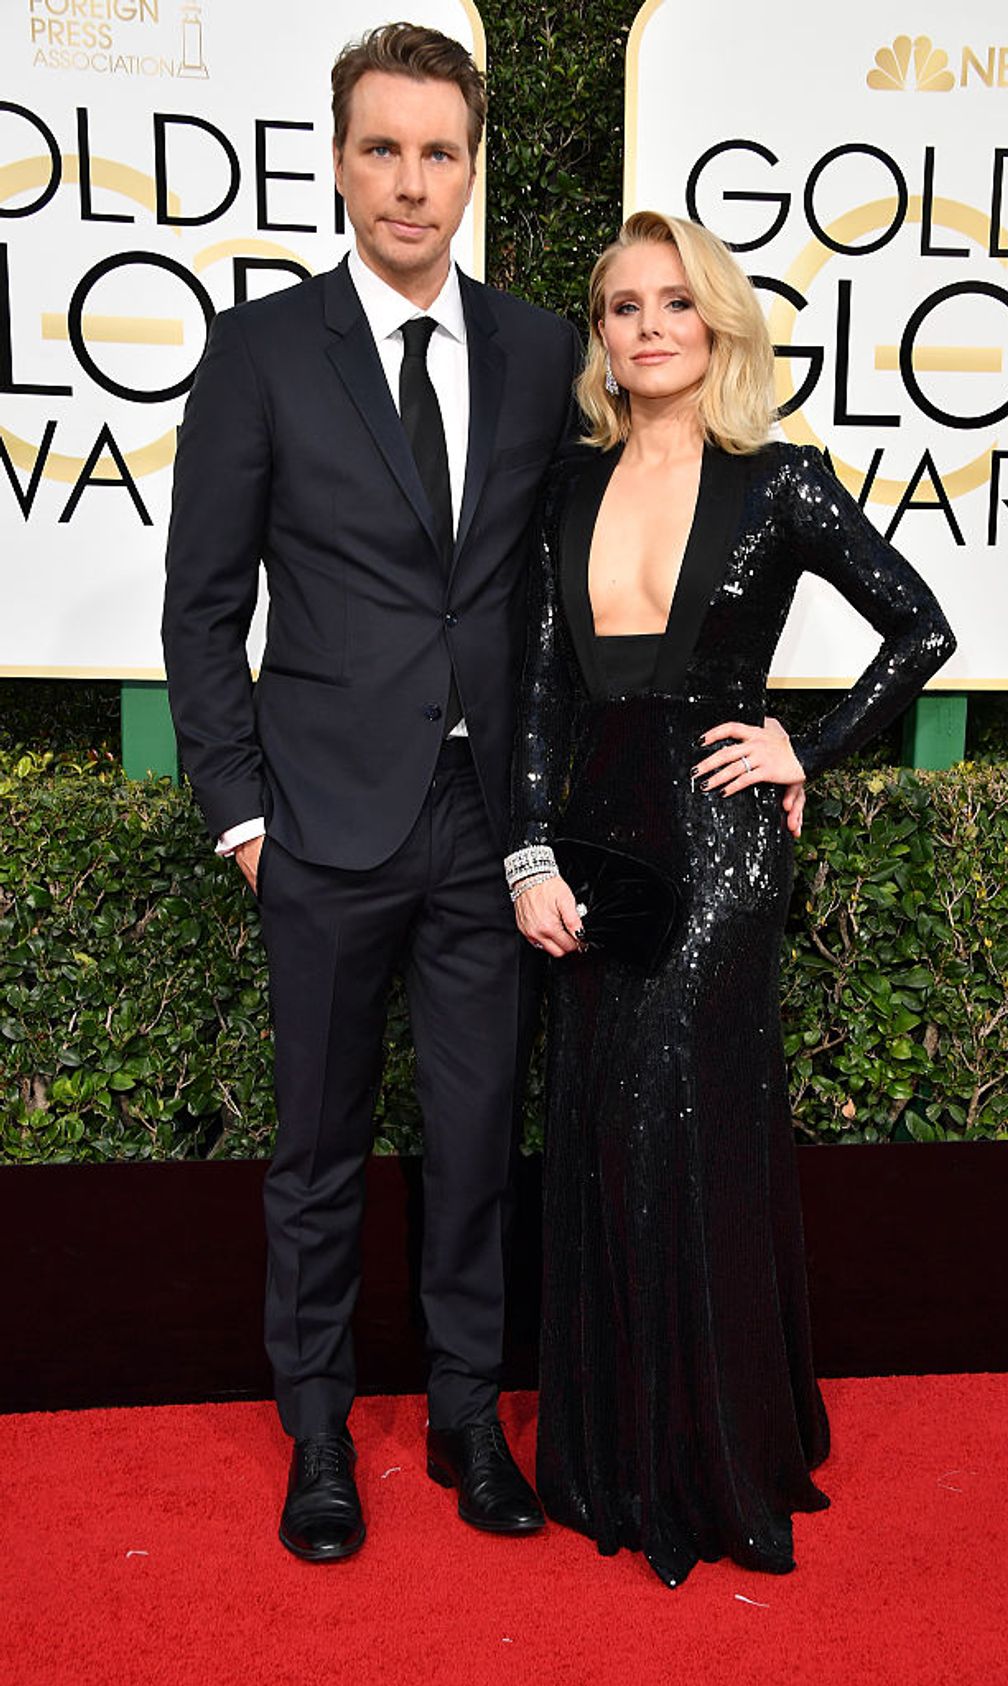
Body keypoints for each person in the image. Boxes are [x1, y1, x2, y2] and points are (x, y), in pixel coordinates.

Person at [162, 23, 579, 1562]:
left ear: (475, 167)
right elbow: (201, 606)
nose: (412, 183)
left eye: (441, 151)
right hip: (321, 825)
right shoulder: (264, 349)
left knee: (476, 1137)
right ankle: (320, 1431)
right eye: (383, 148)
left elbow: (578, 587)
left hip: (486, 827)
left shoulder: (541, 353)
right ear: (338, 161)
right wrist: (244, 818)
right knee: (318, 1150)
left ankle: (469, 1417)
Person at [507, 211, 956, 1587]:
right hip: (598, 847)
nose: (647, 326)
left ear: (717, 326)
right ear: (604, 335)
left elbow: (920, 625)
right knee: (600, 1120)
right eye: (622, 306)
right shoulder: (564, 493)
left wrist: (799, 747)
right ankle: (616, 1453)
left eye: (673, 304)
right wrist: (528, 852)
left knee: (676, 1119)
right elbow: (539, 693)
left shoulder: (783, 482)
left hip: (720, 848)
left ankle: (711, 1460)